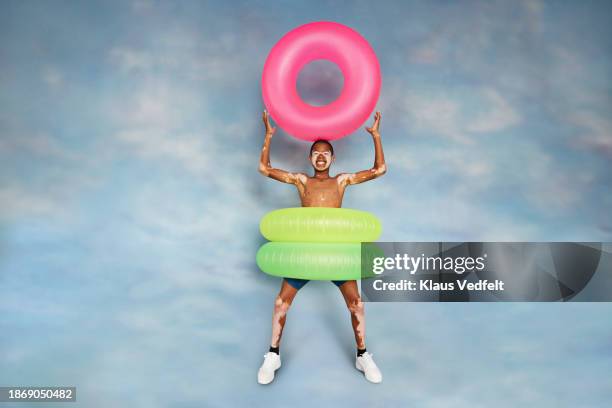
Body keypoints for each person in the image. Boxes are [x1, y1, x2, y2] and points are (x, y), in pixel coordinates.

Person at [257, 110, 387, 384]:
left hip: (336, 254)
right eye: (315, 152)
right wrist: (268, 136)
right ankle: (273, 354)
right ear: (309, 157)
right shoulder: (301, 180)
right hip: (305, 254)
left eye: (325, 152)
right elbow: (265, 169)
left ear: (333, 158)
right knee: (281, 303)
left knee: (357, 305)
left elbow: (379, 170)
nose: (320, 156)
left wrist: (375, 136)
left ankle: (362, 355)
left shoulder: (341, 181)